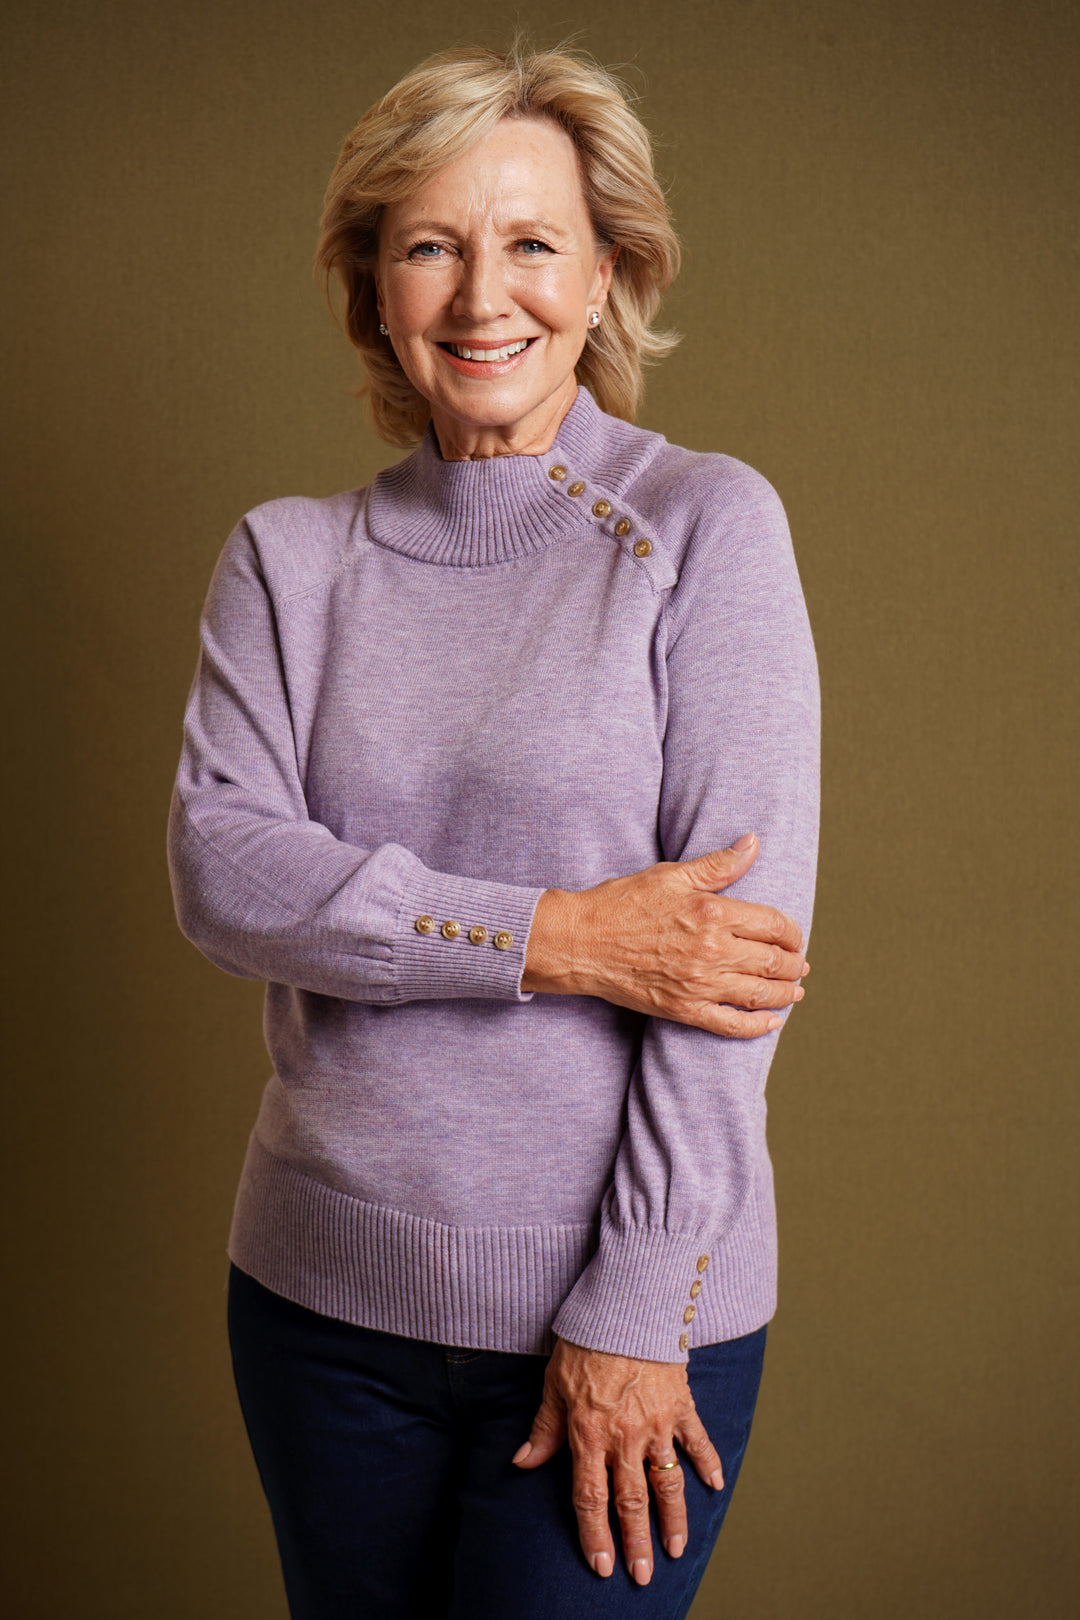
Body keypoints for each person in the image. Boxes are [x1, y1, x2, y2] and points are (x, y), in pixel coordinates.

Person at [167, 41, 819, 1620]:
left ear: (606, 276)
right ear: (376, 288)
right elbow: (227, 869)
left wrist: (637, 1304)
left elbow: (731, 974)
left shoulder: (700, 528)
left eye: (531, 243)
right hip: (321, 1309)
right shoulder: (290, 563)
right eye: (432, 247)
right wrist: (558, 935)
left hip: (622, 1312)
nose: (483, 299)